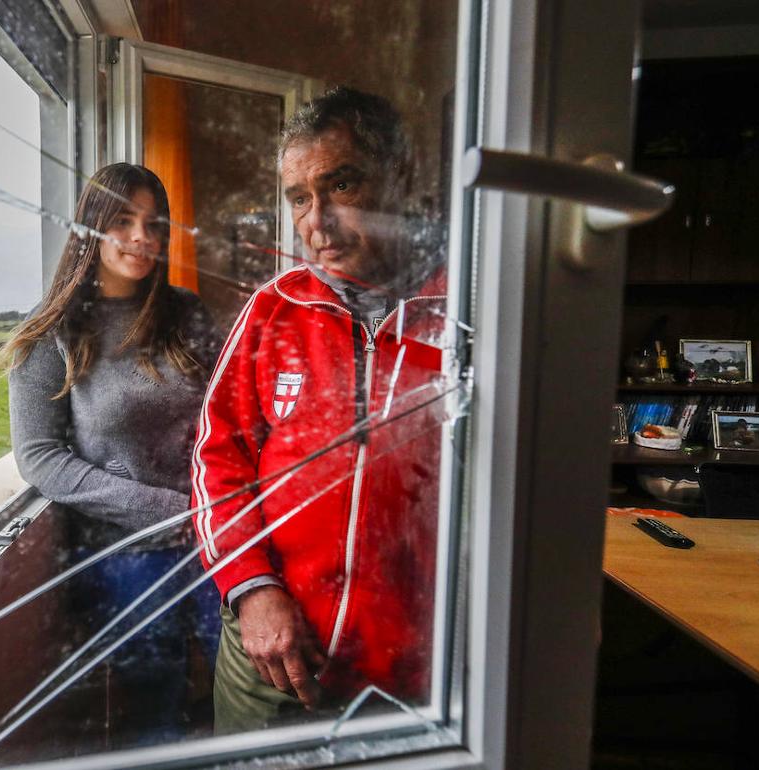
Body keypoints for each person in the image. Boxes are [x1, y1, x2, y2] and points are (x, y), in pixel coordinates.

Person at [190, 87, 449, 732]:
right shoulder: (274, 309)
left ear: (400, 177)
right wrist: (252, 588)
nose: (317, 221)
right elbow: (216, 459)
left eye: (342, 185)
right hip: (275, 651)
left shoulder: (466, 308)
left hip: (419, 661)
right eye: (299, 198)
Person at [3, 163, 222, 744]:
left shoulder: (185, 313)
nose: (141, 239)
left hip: (221, 536)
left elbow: (227, 415)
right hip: (128, 553)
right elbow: (40, 456)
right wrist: (165, 509)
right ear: (90, 228)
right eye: (123, 221)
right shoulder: (53, 330)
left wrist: (217, 509)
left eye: (154, 225)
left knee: (249, 683)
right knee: (156, 709)